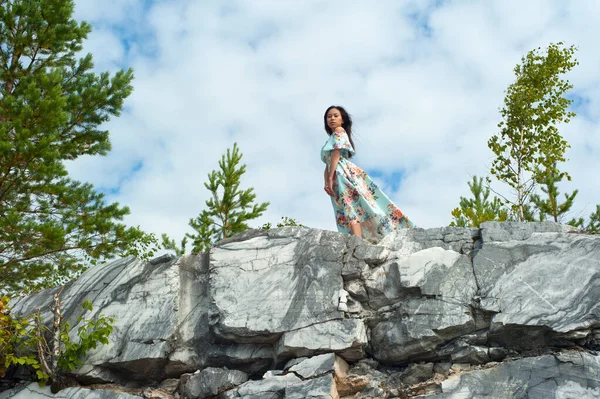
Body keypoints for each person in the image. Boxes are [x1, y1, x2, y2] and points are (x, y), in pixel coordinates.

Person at [321, 105, 414, 242]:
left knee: (349, 206)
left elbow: (336, 154)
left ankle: (357, 240)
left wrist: (330, 177)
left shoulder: (339, 131)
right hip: (336, 173)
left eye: (336, 116)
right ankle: (358, 239)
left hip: (342, 172)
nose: (332, 119)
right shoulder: (331, 139)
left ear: (342, 120)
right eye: (329, 117)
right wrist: (327, 180)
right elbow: (327, 163)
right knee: (349, 207)